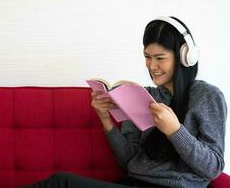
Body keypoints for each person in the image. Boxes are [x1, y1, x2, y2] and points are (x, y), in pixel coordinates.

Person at [24, 16, 227, 188]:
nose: (152, 65)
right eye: (147, 57)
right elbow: (128, 160)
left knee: (61, 183)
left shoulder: (207, 96)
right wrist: (106, 120)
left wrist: (175, 131)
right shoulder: (141, 95)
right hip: (133, 183)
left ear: (185, 57)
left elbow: (213, 167)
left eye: (160, 58)